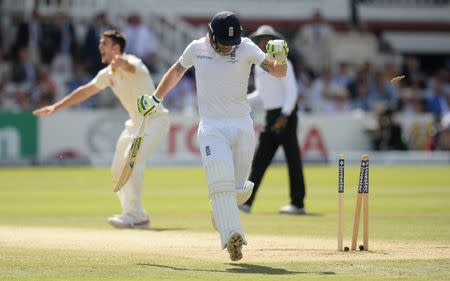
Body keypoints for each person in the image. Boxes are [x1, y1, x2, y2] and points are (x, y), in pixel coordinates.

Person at [136, 11, 288, 261]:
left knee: (238, 191)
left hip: (242, 125)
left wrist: (280, 57)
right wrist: (155, 98)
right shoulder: (197, 48)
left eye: (233, 45)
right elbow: (176, 71)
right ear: (212, 36)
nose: (229, 49)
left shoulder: (247, 47)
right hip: (212, 127)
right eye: (225, 45)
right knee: (220, 182)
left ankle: (221, 215)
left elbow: (278, 72)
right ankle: (232, 236)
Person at [33, 29, 170, 229]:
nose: (100, 47)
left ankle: (135, 215)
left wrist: (121, 62)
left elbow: (129, 67)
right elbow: (85, 91)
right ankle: (134, 213)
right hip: (134, 124)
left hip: (155, 120)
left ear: (116, 48)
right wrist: (56, 106)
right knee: (117, 170)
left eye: (104, 44)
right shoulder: (107, 74)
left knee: (132, 159)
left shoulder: (134, 62)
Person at [240, 25, 307, 215]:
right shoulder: (259, 66)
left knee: (293, 159)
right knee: (260, 160)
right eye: (261, 40)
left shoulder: (283, 62)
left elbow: (292, 91)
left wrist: (285, 116)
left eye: (267, 40)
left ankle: (298, 204)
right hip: (272, 116)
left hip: (286, 115)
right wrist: (240, 98)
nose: (264, 43)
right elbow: (262, 94)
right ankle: (246, 202)